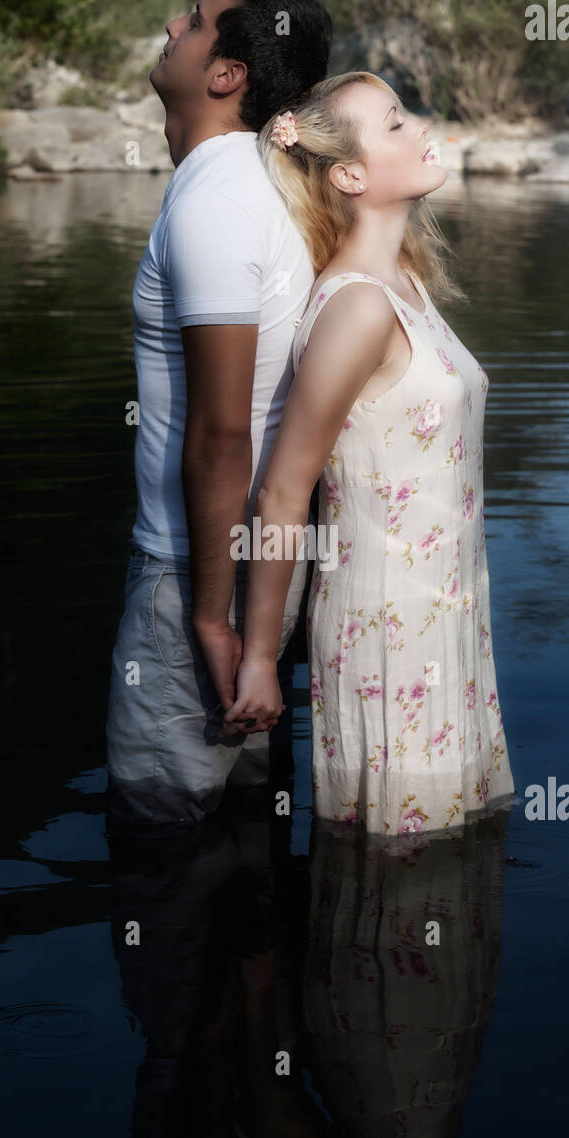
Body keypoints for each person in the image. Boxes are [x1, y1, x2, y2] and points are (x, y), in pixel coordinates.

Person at [223, 72, 516, 838]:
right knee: (399, 885)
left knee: (448, 869)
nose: (421, 129)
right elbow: (283, 492)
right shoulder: (357, 305)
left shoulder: (408, 281)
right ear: (349, 175)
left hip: (446, 619)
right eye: (394, 124)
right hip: (388, 637)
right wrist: (259, 658)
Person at [105, 0, 333, 828]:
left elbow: (220, 431)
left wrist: (206, 615)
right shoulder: (245, 184)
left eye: (194, 21)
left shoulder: (220, 198)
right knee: (238, 837)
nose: (173, 28)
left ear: (227, 74)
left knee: (161, 837)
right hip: (245, 566)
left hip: (197, 571)